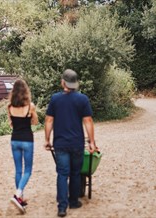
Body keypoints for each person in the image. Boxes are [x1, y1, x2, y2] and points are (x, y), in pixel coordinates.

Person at [44, 69, 96, 217]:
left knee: (62, 173)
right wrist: (92, 142)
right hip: (77, 143)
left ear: (63, 82)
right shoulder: (82, 99)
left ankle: (62, 207)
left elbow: (49, 120)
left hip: (60, 143)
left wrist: (47, 140)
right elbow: (88, 121)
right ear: (75, 84)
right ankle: (73, 201)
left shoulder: (55, 99)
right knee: (75, 172)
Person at [8, 79, 39, 214]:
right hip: (27, 140)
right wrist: (30, 116)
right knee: (28, 171)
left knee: (18, 170)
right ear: (25, 91)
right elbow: (35, 122)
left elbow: (11, 124)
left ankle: (19, 198)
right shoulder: (30, 106)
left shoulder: (9, 107)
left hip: (14, 140)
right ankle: (18, 194)